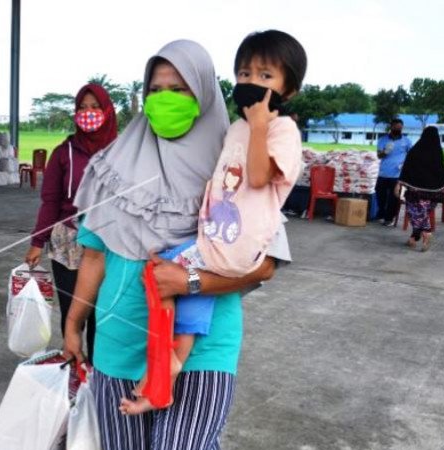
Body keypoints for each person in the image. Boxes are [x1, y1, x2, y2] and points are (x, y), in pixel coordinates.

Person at [64, 38, 293, 450]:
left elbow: (264, 265)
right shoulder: (116, 164)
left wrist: (187, 279)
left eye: (180, 88)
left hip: (202, 350)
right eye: (156, 88)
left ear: (207, 93)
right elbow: (93, 255)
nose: (165, 98)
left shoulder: (236, 157)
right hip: (118, 347)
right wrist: (73, 321)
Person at [120, 31, 306, 415]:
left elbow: (257, 178)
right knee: (174, 275)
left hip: (240, 243)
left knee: (166, 274)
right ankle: (170, 365)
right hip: (218, 236)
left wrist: (259, 126)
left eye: (265, 75)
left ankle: (169, 364)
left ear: (290, 87)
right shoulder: (233, 130)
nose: (252, 82)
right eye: (243, 73)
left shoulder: (281, 130)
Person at [24, 83, 117, 361]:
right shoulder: (63, 152)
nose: (88, 113)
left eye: (94, 107)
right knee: (74, 310)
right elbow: (50, 200)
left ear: (107, 110)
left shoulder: (123, 152)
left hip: (110, 242)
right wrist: (37, 241)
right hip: (69, 241)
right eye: (82, 108)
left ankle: (99, 375)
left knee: (103, 314)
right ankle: (74, 368)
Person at [398, 126, 444, 251]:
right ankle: (414, 237)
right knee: (424, 212)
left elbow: (407, 167)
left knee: (413, 210)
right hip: (434, 194)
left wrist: (400, 183)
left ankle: (426, 232)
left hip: (416, 192)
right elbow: (442, 170)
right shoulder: (437, 151)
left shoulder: (415, 150)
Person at [376, 118, 412, 226]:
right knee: (381, 196)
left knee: (394, 197)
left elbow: (411, 155)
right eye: (396, 127)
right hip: (383, 172)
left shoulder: (407, 141)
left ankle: (390, 218)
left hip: (397, 174)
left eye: (400, 128)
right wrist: (385, 152)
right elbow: (379, 156)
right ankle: (381, 214)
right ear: (391, 127)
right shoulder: (383, 140)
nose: (398, 129)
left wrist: (405, 164)